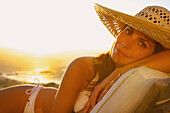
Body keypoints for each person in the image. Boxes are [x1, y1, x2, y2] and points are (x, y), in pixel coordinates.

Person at [0, 4, 170, 113]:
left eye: (142, 43)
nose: (125, 43)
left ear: (157, 55)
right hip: (23, 103)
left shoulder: (137, 75)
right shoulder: (84, 67)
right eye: (128, 31)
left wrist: (123, 70)